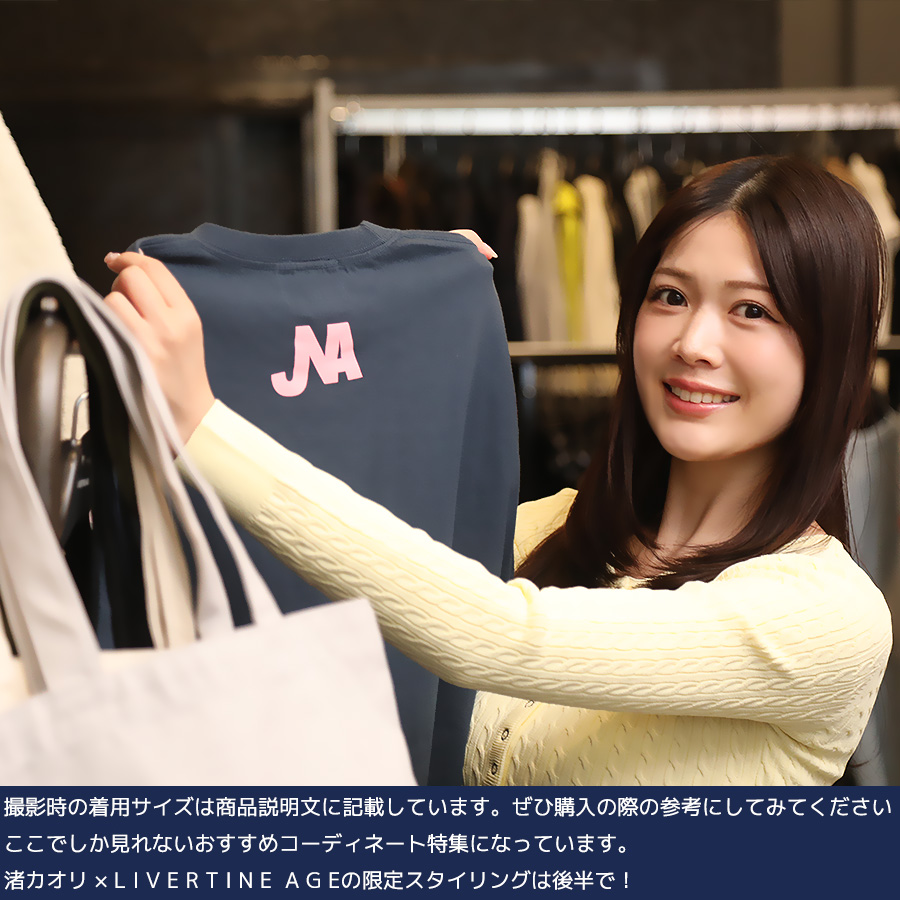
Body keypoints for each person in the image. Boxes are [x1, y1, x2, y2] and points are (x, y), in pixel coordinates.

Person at [104, 155, 892, 786]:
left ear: (833, 354)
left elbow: (496, 634)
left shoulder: (827, 618)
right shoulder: (549, 527)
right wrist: (415, 303)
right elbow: (355, 552)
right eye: (670, 296)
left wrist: (200, 424)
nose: (693, 343)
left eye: (752, 310)